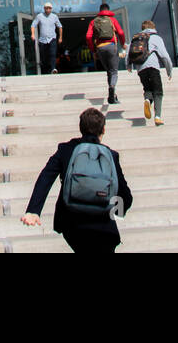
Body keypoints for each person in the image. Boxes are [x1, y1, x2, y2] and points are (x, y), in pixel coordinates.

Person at [20, 108, 133, 253]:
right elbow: (125, 195)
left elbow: (46, 176)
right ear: (103, 129)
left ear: (81, 128)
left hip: (73, 223)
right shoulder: (110, 155)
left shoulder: (66, 150)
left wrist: (33, 210)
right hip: (104, 227)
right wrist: (118, 212)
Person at [128, 20, 173, 125]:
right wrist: (169, 70)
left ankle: (147, 100)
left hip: (140, 68)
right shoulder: (156, 38)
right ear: (153, 27)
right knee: (158, 91)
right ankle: (157, 117)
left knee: (147, 88)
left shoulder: (136, 38)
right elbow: (164, 55)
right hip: (153, 67)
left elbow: (129, 53)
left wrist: (128, 65)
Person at [85, 4, 126, 104]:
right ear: (108, 10)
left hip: (100, 48)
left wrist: (93, 50)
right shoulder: (112, 20)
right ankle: (112, 87)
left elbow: (88, 36)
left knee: (109, 71)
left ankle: (112, 96)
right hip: (111, 46)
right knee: (114, 71)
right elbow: (120, 32)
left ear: (100, 11)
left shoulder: (94, 21)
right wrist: (123, 44)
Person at [32, 2, 63, 74]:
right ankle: (45, 69)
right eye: (46, 8)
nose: (48, 10)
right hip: (42, 40)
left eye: (49, 8)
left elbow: (60, 27)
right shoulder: (39, 16)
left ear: (51, 9)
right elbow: (33, 25)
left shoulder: (54, 16)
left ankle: (53, 68)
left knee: (52, 53)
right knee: (44, 56)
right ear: (44, 8)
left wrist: (60, 37)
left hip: (52, 38)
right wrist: (33, 34)